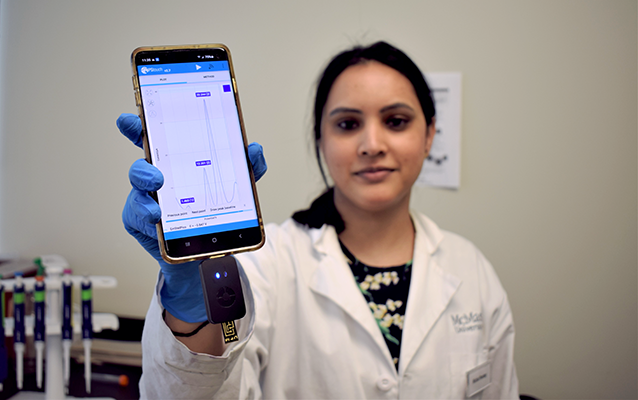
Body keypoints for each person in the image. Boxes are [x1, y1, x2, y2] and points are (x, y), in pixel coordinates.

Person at [118, 41, 519, 399]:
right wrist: (192, 307)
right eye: (347, 124)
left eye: (396, 121)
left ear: (430, 134)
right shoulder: (266, 266)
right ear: (320, 140)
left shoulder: (472, 271)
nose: (372, 145)